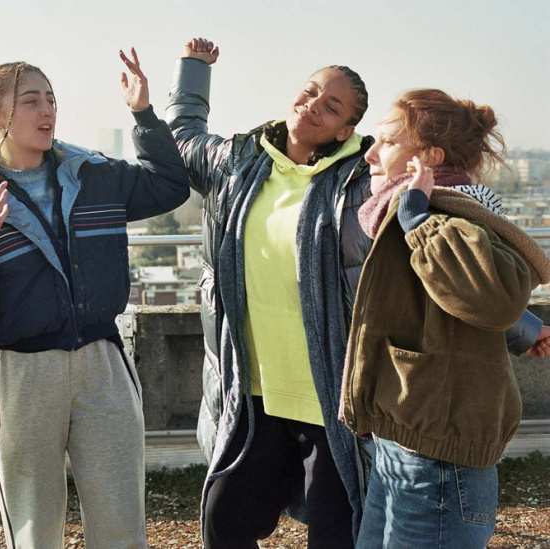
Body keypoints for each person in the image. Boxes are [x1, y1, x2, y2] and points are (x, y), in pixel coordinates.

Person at [0, 50, 189, 549]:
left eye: (51, 99)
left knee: (121, 525)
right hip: (19, 373)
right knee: (35, 528)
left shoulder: (94, 174)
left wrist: (143, 113)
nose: (47, 110)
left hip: (103, 363)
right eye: (31, 101)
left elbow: (170, 186)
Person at [165, 37, 374, 548]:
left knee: (336, 534)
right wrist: (194, 68)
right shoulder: (240, 162)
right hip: (253, 392)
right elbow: (183, 139)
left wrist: (517, 326)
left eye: (332, 106)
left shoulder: (365, 180)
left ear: (346, 130)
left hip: (331, 400)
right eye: (310, 91)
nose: (313, 105)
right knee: (223, 523)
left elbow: (427, 251)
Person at [340, 89, 550, 548]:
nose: (370, 154)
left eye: (387, 142)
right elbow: (444, 300)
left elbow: (493, 293)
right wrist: (527, 329)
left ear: (430, 158)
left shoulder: (444, 211)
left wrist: (418, 219)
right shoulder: (421, 209)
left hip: (436, 455)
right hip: (404, 437)